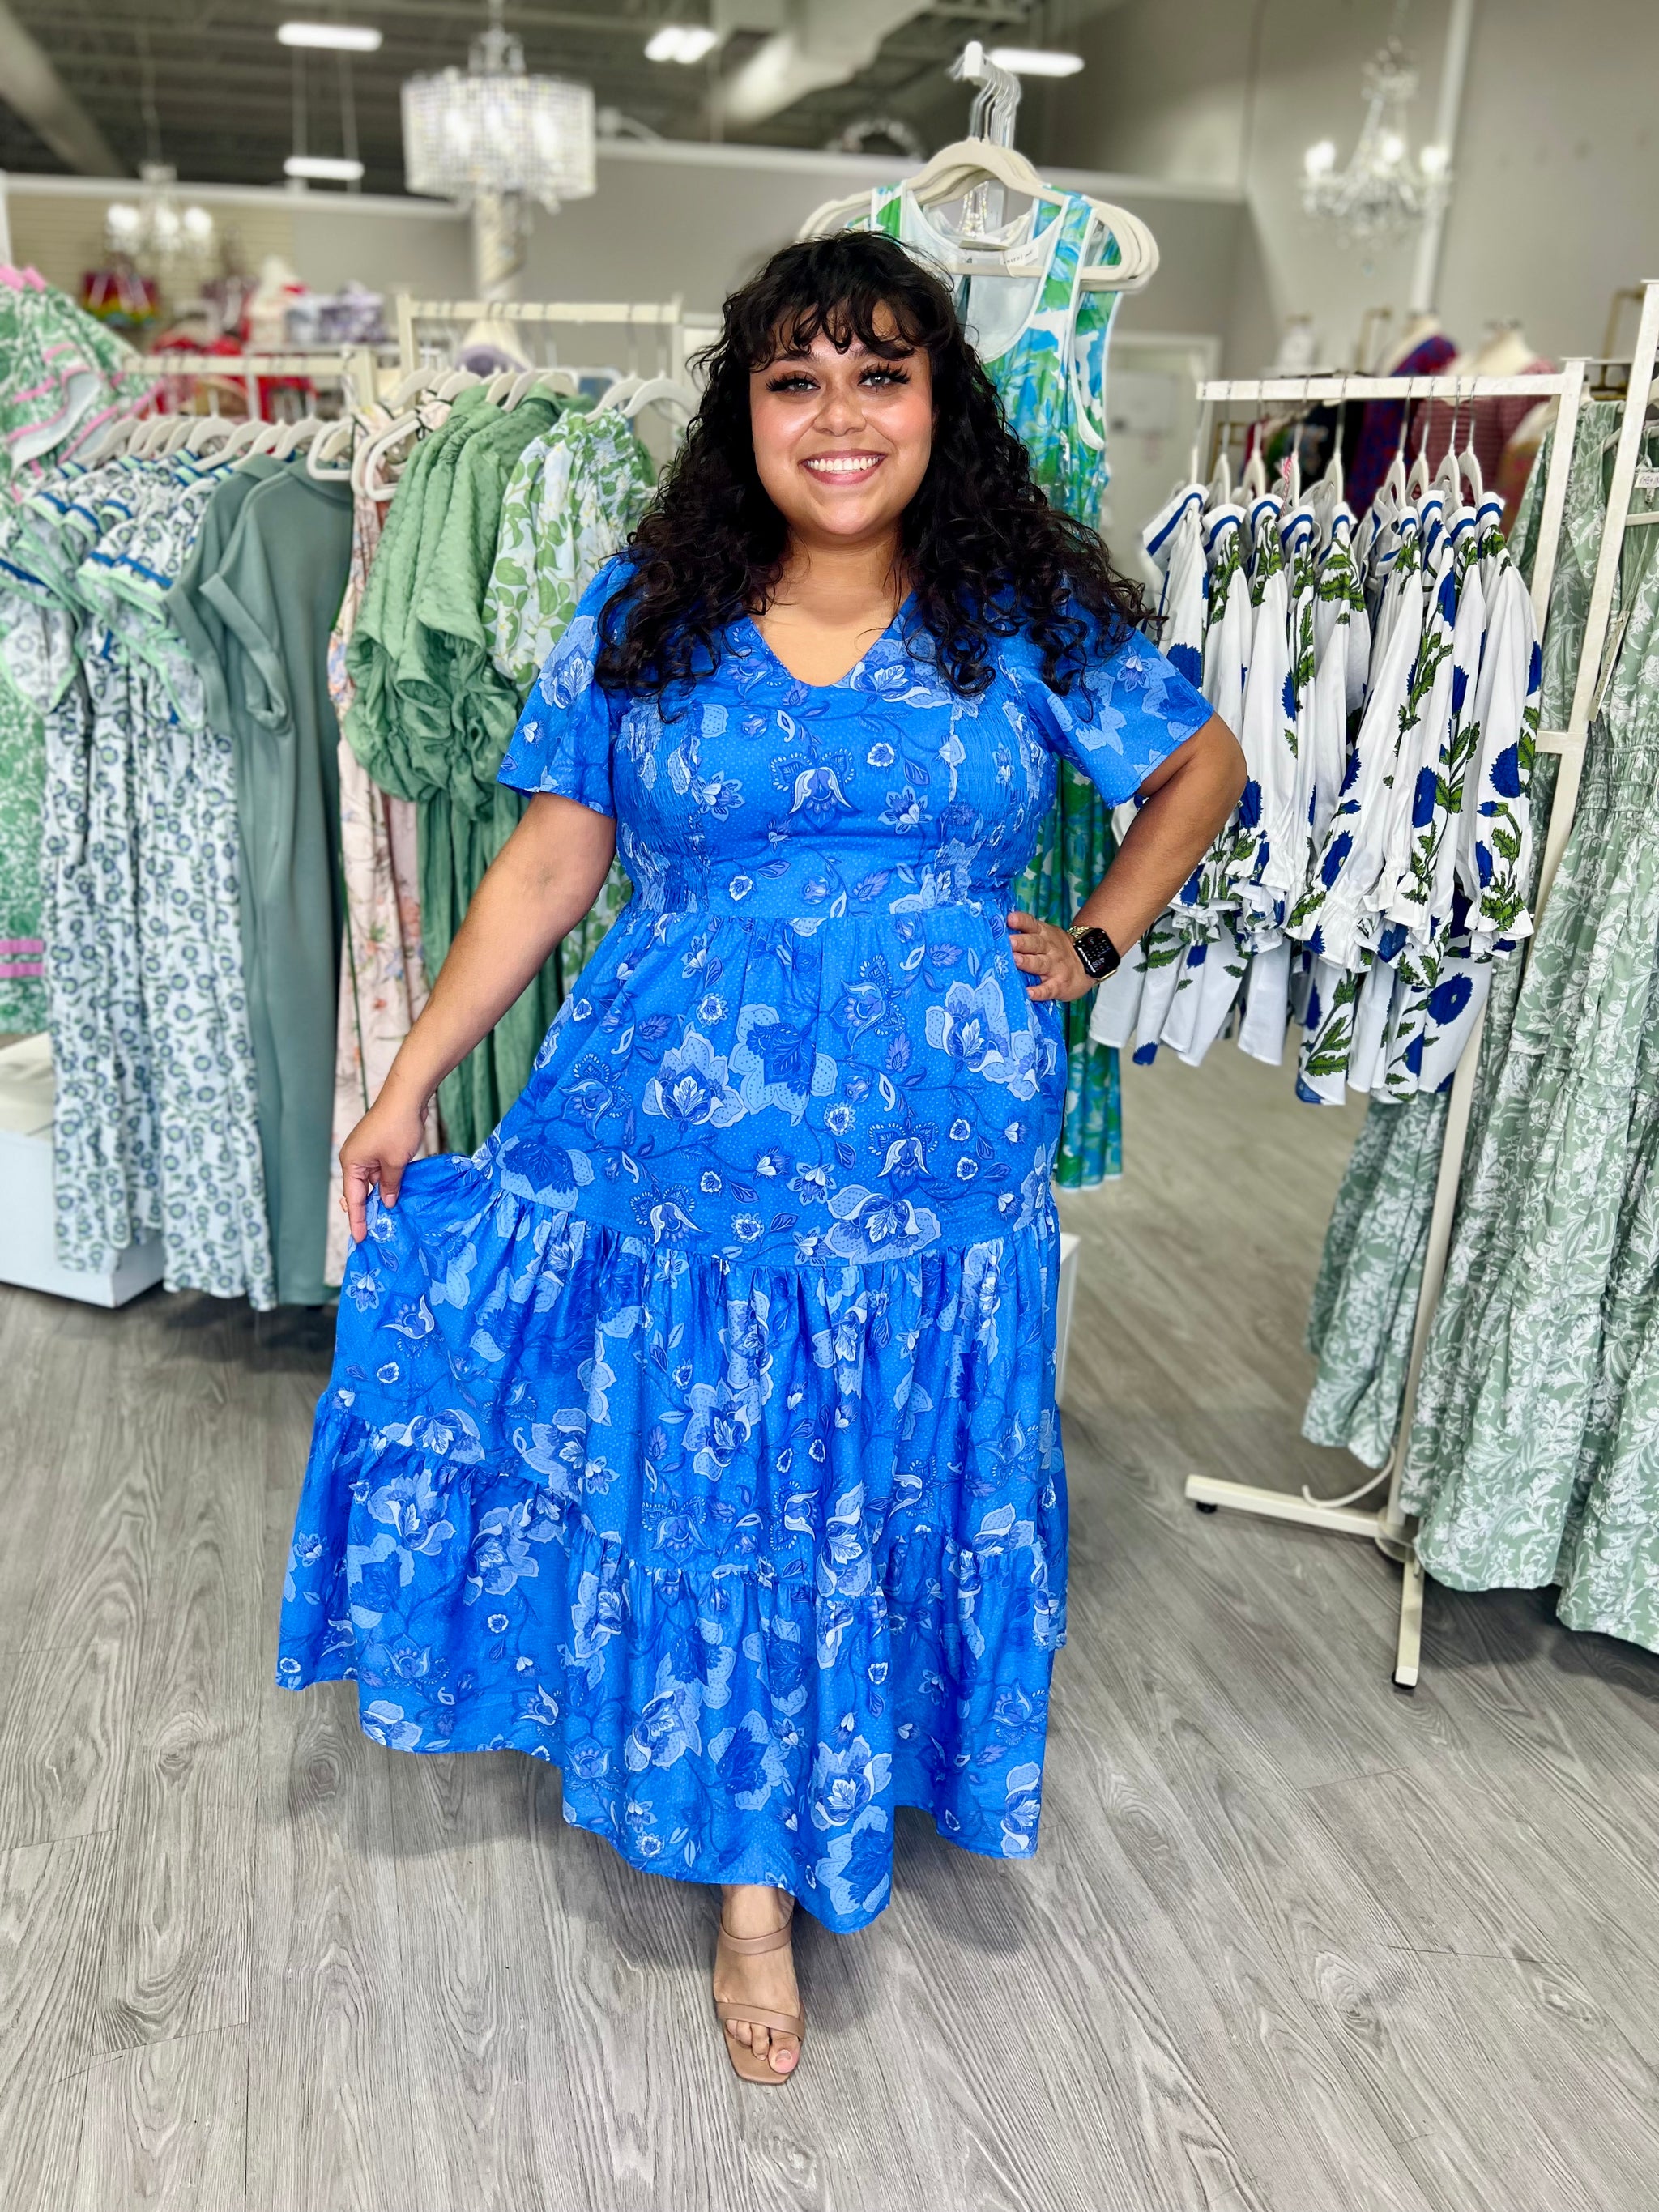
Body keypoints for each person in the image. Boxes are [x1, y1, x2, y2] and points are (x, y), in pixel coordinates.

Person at [276, 232, 1245, 2087]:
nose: (838, 417)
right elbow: (550, 863)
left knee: (875, 1486)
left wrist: (1097, 936)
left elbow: (1198, 767)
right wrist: (409, 1079)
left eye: (880, 375)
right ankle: (749, 1888)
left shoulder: (1018, 612)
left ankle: (846, 1784)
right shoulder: (650, 606)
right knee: (721, 1494)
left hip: (930, 1175)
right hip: (673, 1163)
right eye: (796, 380)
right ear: (744, 413)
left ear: (939, 407)